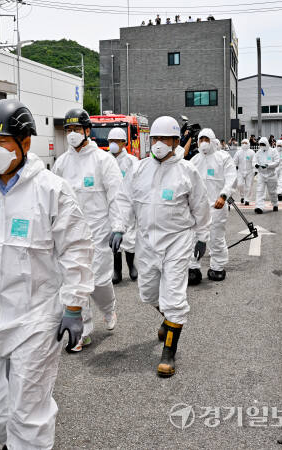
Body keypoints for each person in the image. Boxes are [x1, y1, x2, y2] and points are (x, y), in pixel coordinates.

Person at [0, 99, 94, 449]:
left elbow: (77, 250)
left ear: (25, 143)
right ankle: (19, 442)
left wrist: (74, 306)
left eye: (3, 142)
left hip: (36, 319)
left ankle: (25, 442)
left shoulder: (52, 190)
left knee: (29, 413)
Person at [114, 116, 210, 377]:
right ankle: (168, 319)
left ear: (176, 142)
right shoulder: (139, 169)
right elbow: (124, 200)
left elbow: (200, 206)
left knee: (175, 298)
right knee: (148, 294)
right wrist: (119, 227)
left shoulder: (187, 171)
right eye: (154, 139)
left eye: (164, 139)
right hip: (147, 242)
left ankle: (169, 353)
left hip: (177, 242)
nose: (158, 144)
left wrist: (202, 236)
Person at [52, 108, 123, 352]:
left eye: (76, 129)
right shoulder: (61, 163)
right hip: (70, 236)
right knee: (74, 281)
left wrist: (119, 227)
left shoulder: (103, 161)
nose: (71, 134)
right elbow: (52, 199)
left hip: (99, 233)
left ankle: (109, 307)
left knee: (100, 281)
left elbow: (117, 197)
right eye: (68, 130)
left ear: (87, 131)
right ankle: (82, 332)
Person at [187, 129, 236, 284]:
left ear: (213, 140)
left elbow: (231, 178)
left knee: (216, 237)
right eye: (201, 139)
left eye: (206, 139)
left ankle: (217, 267)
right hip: (198, 207)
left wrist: (224, 195)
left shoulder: (223, 157)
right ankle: (193, 267)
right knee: (194, 237)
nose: (203, 142)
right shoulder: (194, 160)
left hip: (217, 206)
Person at [106, 127, 138, 284]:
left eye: (116, 141)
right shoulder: (105, 160)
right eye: (111, 141)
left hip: (128, 205)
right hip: (111, 205)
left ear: (124, 143)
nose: (113, 144)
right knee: (114, 239)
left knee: (130, 238)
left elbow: (138, 183)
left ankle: (132, 266)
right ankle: (116, 271)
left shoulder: (131, 161)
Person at [253, 136, 280, 214]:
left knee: (272, 192)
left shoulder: (273, 151)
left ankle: (275, 204)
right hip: (261, 175)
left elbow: (277, 162)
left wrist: (268, 165)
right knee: (259, 191)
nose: (262, 146)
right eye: (260, 144)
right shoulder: (258, 152)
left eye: (263, 144)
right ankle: (259, 207)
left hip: (271, 175)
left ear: (267, 144)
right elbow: (254, 160)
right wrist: (256, 165)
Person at [233, 139, 256, 205]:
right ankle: (242, 196)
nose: (244, 144)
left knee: (249, 186)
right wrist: (234, 168)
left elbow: (254, 161)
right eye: (243, 143)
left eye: (245, 143)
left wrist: (255, 170)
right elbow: (235, 161)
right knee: (240, 184)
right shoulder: (238, 152)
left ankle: (247, 199)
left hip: (250, 171)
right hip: (240, 171)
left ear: (248, 143)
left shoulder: (252, 152)